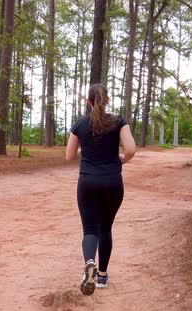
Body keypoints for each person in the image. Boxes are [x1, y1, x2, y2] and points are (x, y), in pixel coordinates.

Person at [65, 84, 136, 296]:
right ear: (107, 101)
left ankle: (89, 263)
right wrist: (121, 159)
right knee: (106, 228)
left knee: (90, 230)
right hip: (113, 181)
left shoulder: (80, 124)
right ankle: (102, 276)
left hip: (87, 182)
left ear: (88, 101)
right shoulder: (119, 122)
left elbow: (69, 156)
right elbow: (131, 149)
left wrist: (86, 152)